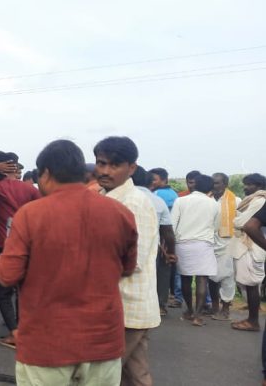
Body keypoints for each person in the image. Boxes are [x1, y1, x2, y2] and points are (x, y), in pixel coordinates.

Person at [0, 140, 137, 385]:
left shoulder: (30, 214)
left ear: (46, 173)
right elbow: (127, 268)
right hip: (102, 342)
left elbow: (7, 275)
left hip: (47, 344)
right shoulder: (120, 213)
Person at [94, 136, 160, 385]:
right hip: (124, 307)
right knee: (135, 375)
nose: (105, 171)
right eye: (101, 163)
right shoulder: (106, 196)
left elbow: (134, 261)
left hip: (126, 306)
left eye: (114, 165)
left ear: (131, 168)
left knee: (100, 376)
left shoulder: (134, 203)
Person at [0, 151, 42, 349]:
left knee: (3, 292)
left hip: (1, 246)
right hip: (27, 246)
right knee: (23, 290)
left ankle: (15, 334)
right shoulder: (30, 190)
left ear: (2, 168)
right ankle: (24, 328)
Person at [171, 174, 219, 326]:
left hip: (183, 244)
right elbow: (216, 226)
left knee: (185, 278)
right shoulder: (213, 204)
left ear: (195, 185)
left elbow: (172, 225)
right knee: (202, 279)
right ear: (211, 188)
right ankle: (198, 316)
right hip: (204, 244)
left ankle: (189, 310)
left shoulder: (181, 201)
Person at [133, 166, 177, 317]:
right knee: (161, 273)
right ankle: (160, 305)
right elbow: (167, 231)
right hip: (154, 245)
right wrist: (171, 252)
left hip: (127, 245)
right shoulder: (158, 201)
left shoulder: (117, 197)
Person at [230, 173, 266, 332]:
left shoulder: (260, 201)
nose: (245, 187)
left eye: (249, 184)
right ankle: (252, 319)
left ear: (259, 186)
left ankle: (253, 321)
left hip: (252, 247)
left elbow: (241, 222)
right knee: (249, 284)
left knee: (251, 285)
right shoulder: (254, 200)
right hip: (249, 246)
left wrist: (235, 221)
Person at [208, 172, 241, 321]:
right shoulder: (206, 199)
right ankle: (214, 306)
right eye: (212, 183)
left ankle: (226, 307)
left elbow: (241, 224)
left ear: (225, 184)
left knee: (228, 277)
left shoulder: (237, 201)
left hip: (228, 243)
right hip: (209, 242)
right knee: (210, 276)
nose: (213, 186)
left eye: (217, 183)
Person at [149, 167, 183, 308]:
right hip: (169, 236)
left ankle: (155, 303)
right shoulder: (175, 194)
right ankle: (163, 303)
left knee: (155, 271)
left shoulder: (156, 195)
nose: (152, 182)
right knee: (165, 271)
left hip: (159, 236)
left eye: (154, 179)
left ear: (164, 180)